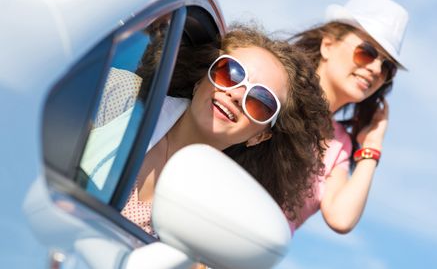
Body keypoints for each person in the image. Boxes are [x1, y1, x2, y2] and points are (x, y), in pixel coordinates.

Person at [120, 23, 332, 236]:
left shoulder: (222, 221)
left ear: (260, 136)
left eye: (261, 101)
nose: (237, 95)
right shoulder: (122, 98)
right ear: (201, 79)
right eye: (229, 74)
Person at [289, 0, 409, 234]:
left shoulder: (340, 143)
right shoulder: (278, 90)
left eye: (387, 67)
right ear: (328, 45)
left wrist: (371, 147)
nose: (376, 68)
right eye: (367, 52)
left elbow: (341, 218)